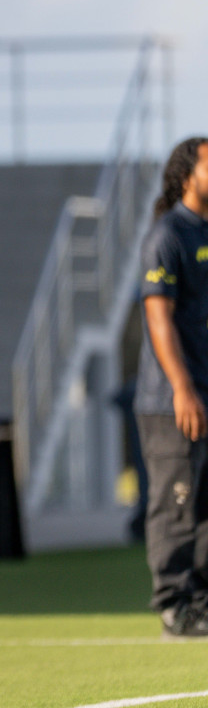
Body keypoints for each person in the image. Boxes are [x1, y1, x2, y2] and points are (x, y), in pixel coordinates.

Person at [134, 137, 208, 636]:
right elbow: (158, 317)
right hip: (172, 402)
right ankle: (174, 605)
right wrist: (182, 388)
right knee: (177, 502)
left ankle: (201, 602)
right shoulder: (168, 234)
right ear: (188, 176)